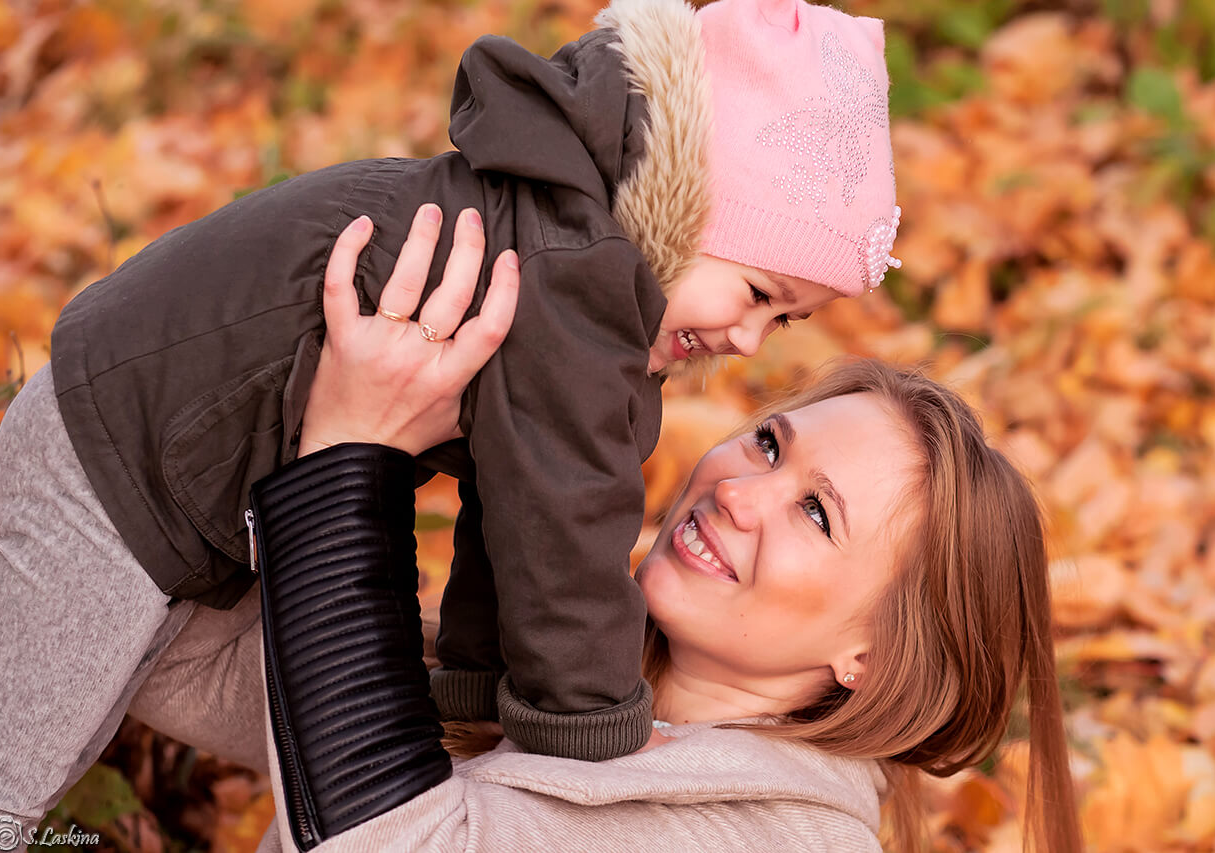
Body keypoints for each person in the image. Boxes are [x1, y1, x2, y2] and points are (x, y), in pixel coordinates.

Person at [0, 4, 901, 836]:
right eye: (754, 293)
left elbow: (509, 515)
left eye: (783, 322)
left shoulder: (568, 245)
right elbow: (562, 527)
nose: (748, 339)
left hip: (169, 468)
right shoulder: (570, 282)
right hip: (118, 458)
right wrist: (590, 735)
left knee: (59, 736)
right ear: (691, 204)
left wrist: (474, 688)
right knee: (3, 784)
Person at [243, 224, 1081, 853]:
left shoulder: (778, 837)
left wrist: (350, 456)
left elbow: (383, 837)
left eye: (817, 514)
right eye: (769, 442)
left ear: (877, 654)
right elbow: (237, 676)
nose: (740, 493)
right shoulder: (590, 680)